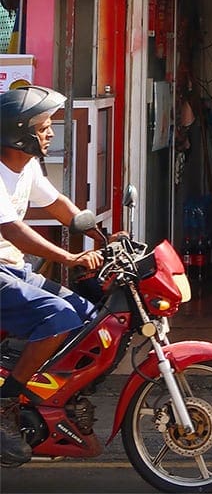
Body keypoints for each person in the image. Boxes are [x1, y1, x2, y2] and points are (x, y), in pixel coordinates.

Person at [0, 86, 103, 465]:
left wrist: (104, 237)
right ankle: (5, 403)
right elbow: (12, 230)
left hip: (9, 267)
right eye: (44, 126)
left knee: (88, 318)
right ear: (19, 133)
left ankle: (49, 398)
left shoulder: (25, 165)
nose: (50, 133)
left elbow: (60, 206)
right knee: (57, 316)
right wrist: (71, 258)